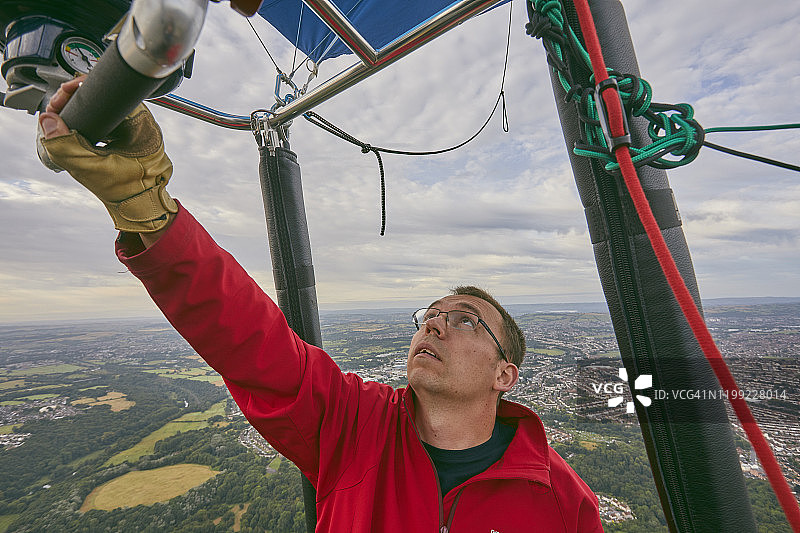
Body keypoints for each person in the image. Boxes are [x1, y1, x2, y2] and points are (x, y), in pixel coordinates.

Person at [38, 78, 603, 532]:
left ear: (505, 373)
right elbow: (251, 342)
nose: (435, 321)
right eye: (431, 313)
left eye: (464, 320)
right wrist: (148, 211)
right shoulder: (353, 424)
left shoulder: (563, 500)